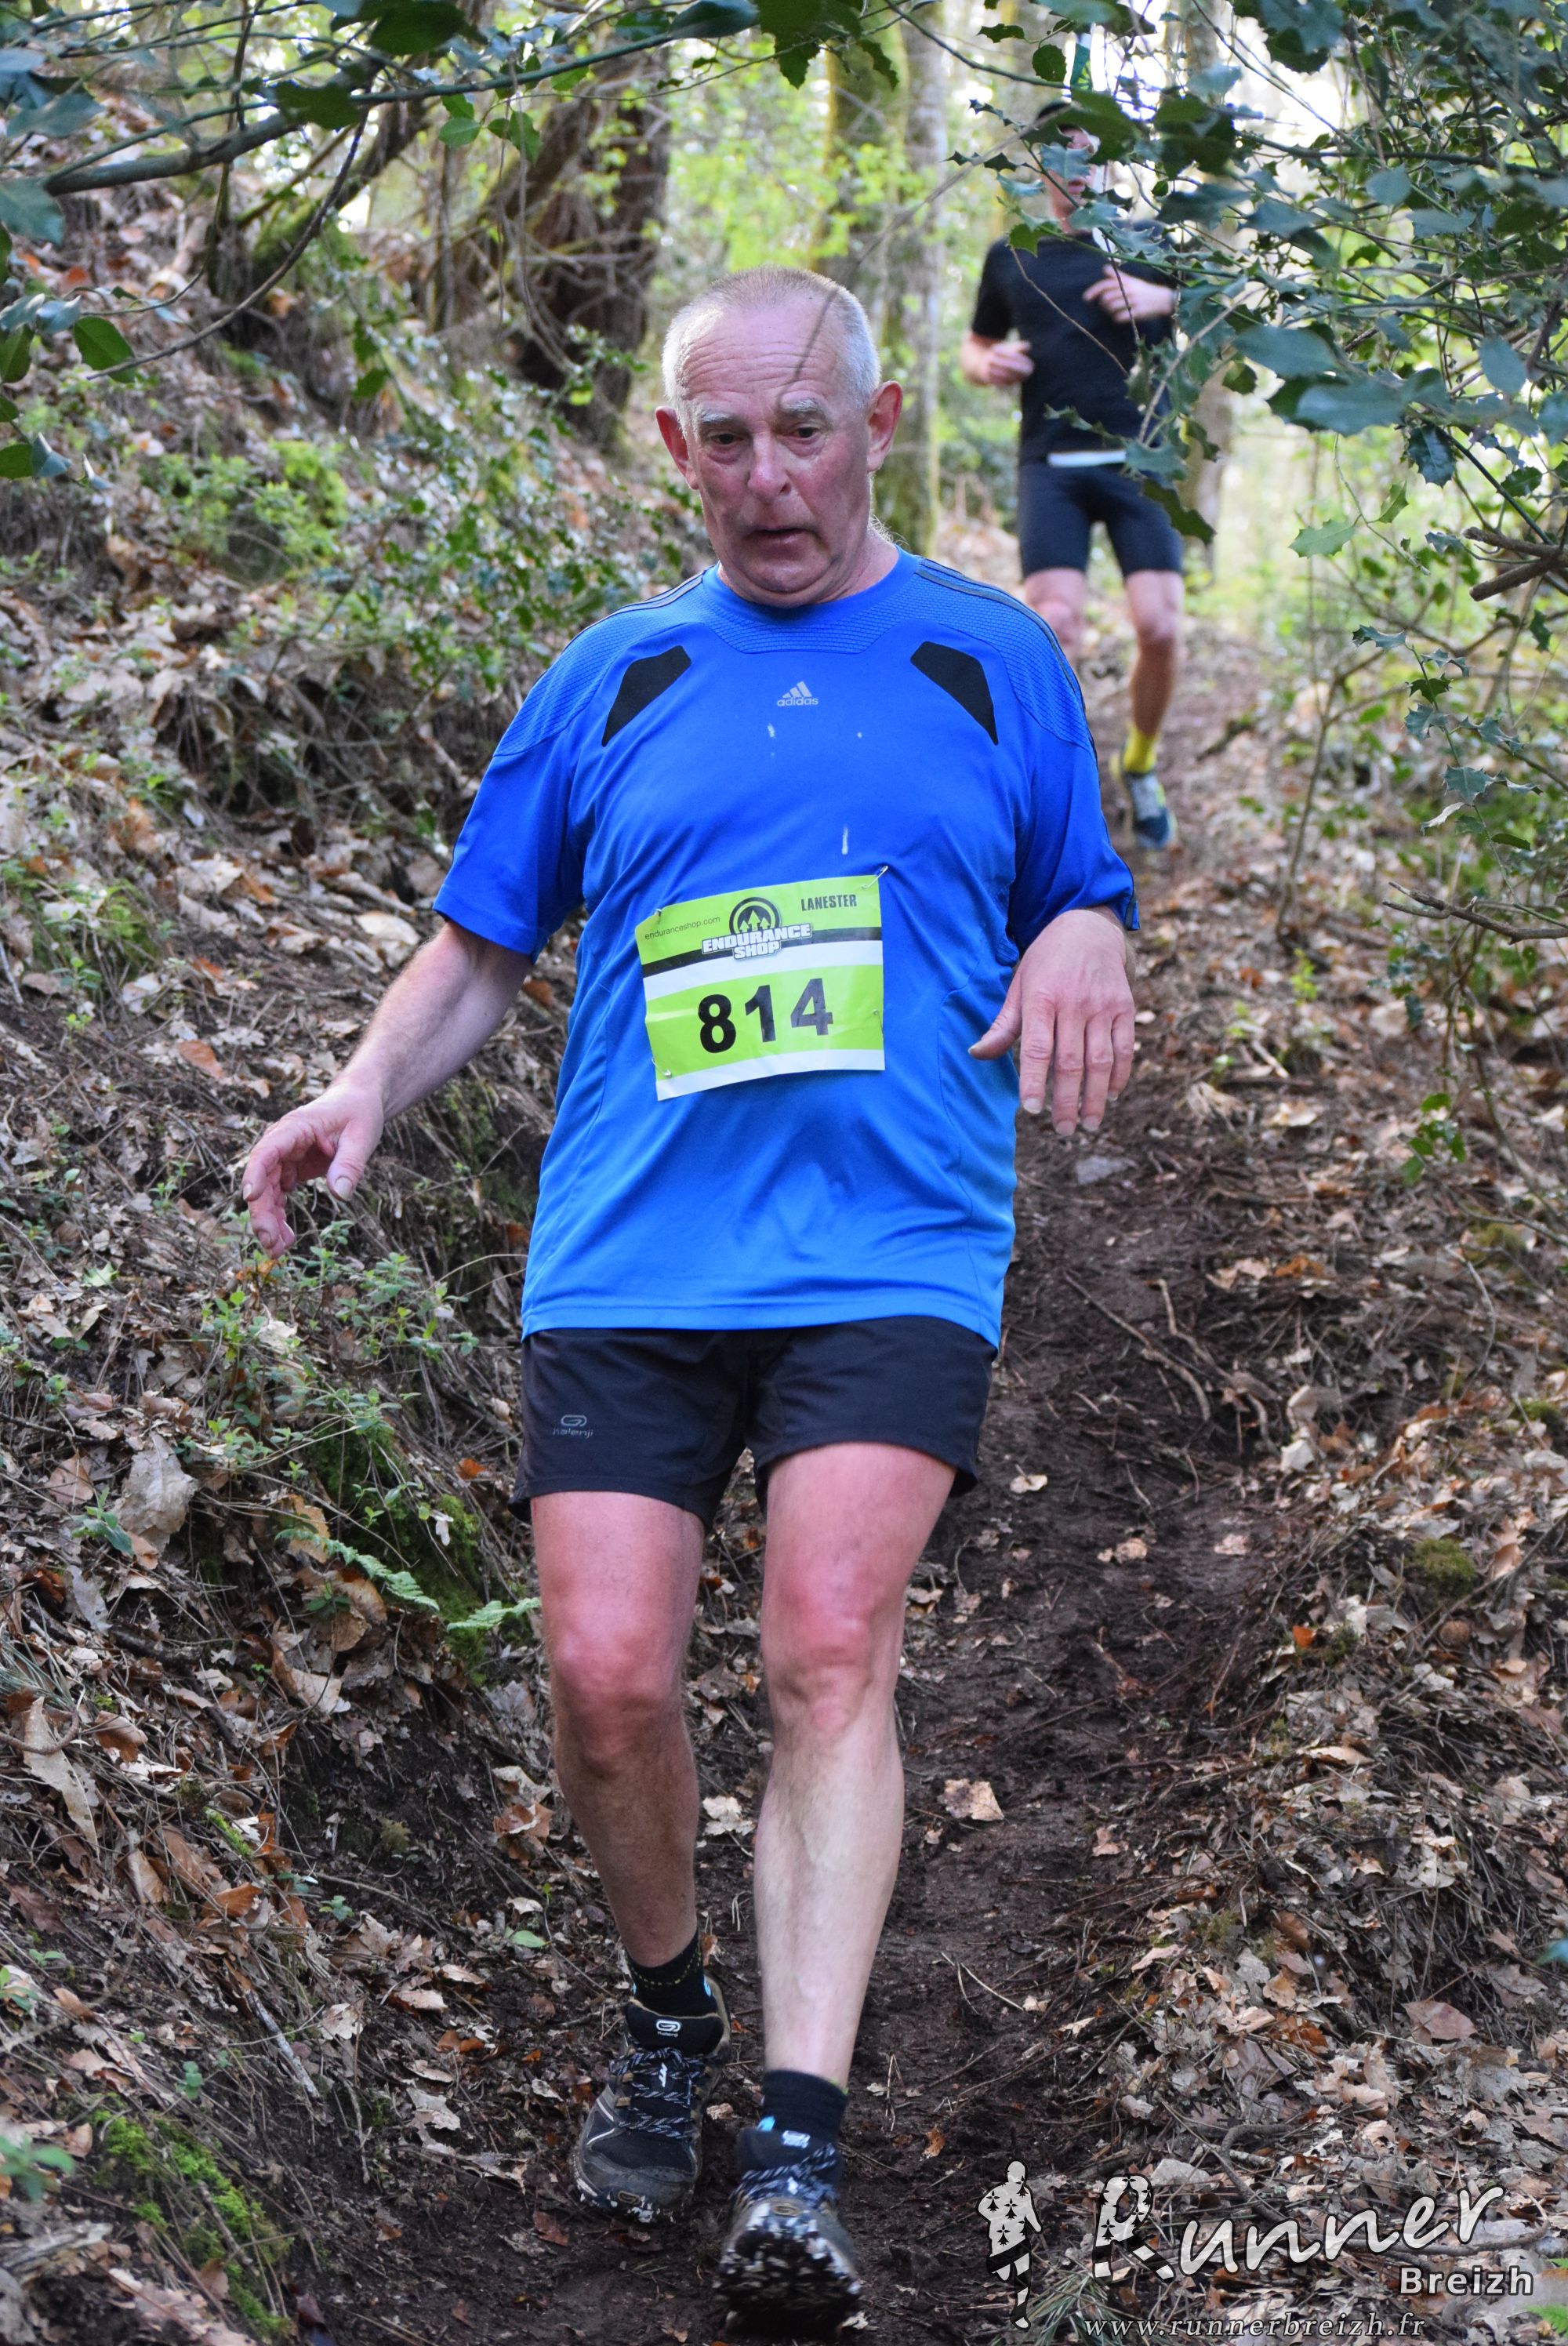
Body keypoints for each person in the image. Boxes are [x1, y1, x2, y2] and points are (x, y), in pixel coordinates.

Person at [241, 263, 1138, 2326]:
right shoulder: (612, 675)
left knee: (826, 1642)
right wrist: (363, 1088)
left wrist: (1093, 930)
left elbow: (1076, 888)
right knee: (607, 1673)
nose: (767, 476)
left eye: (801, 430)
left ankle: (796, 2145)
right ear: (674, 450)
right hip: (634, 1249)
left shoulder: (992, 657)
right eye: (723, 439)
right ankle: (668, 2016)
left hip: (892, 1242)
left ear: (878, 423)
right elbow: (483, 942)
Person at [960, 129, 1185, 851]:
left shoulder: (1149, 241)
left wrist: (1160, 296)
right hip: (1050, 463)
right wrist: (988, 364)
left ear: (1109, 162)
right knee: (1054, 626)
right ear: (1039, 169)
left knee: (1161, 628)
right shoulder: (1013, 254)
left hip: (1140, 461)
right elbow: (974, 346)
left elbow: (1226, 306)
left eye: (1088, 153)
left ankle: (1139, 764)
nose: (1075, 170)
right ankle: (1065, 797)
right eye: (1058, 156)